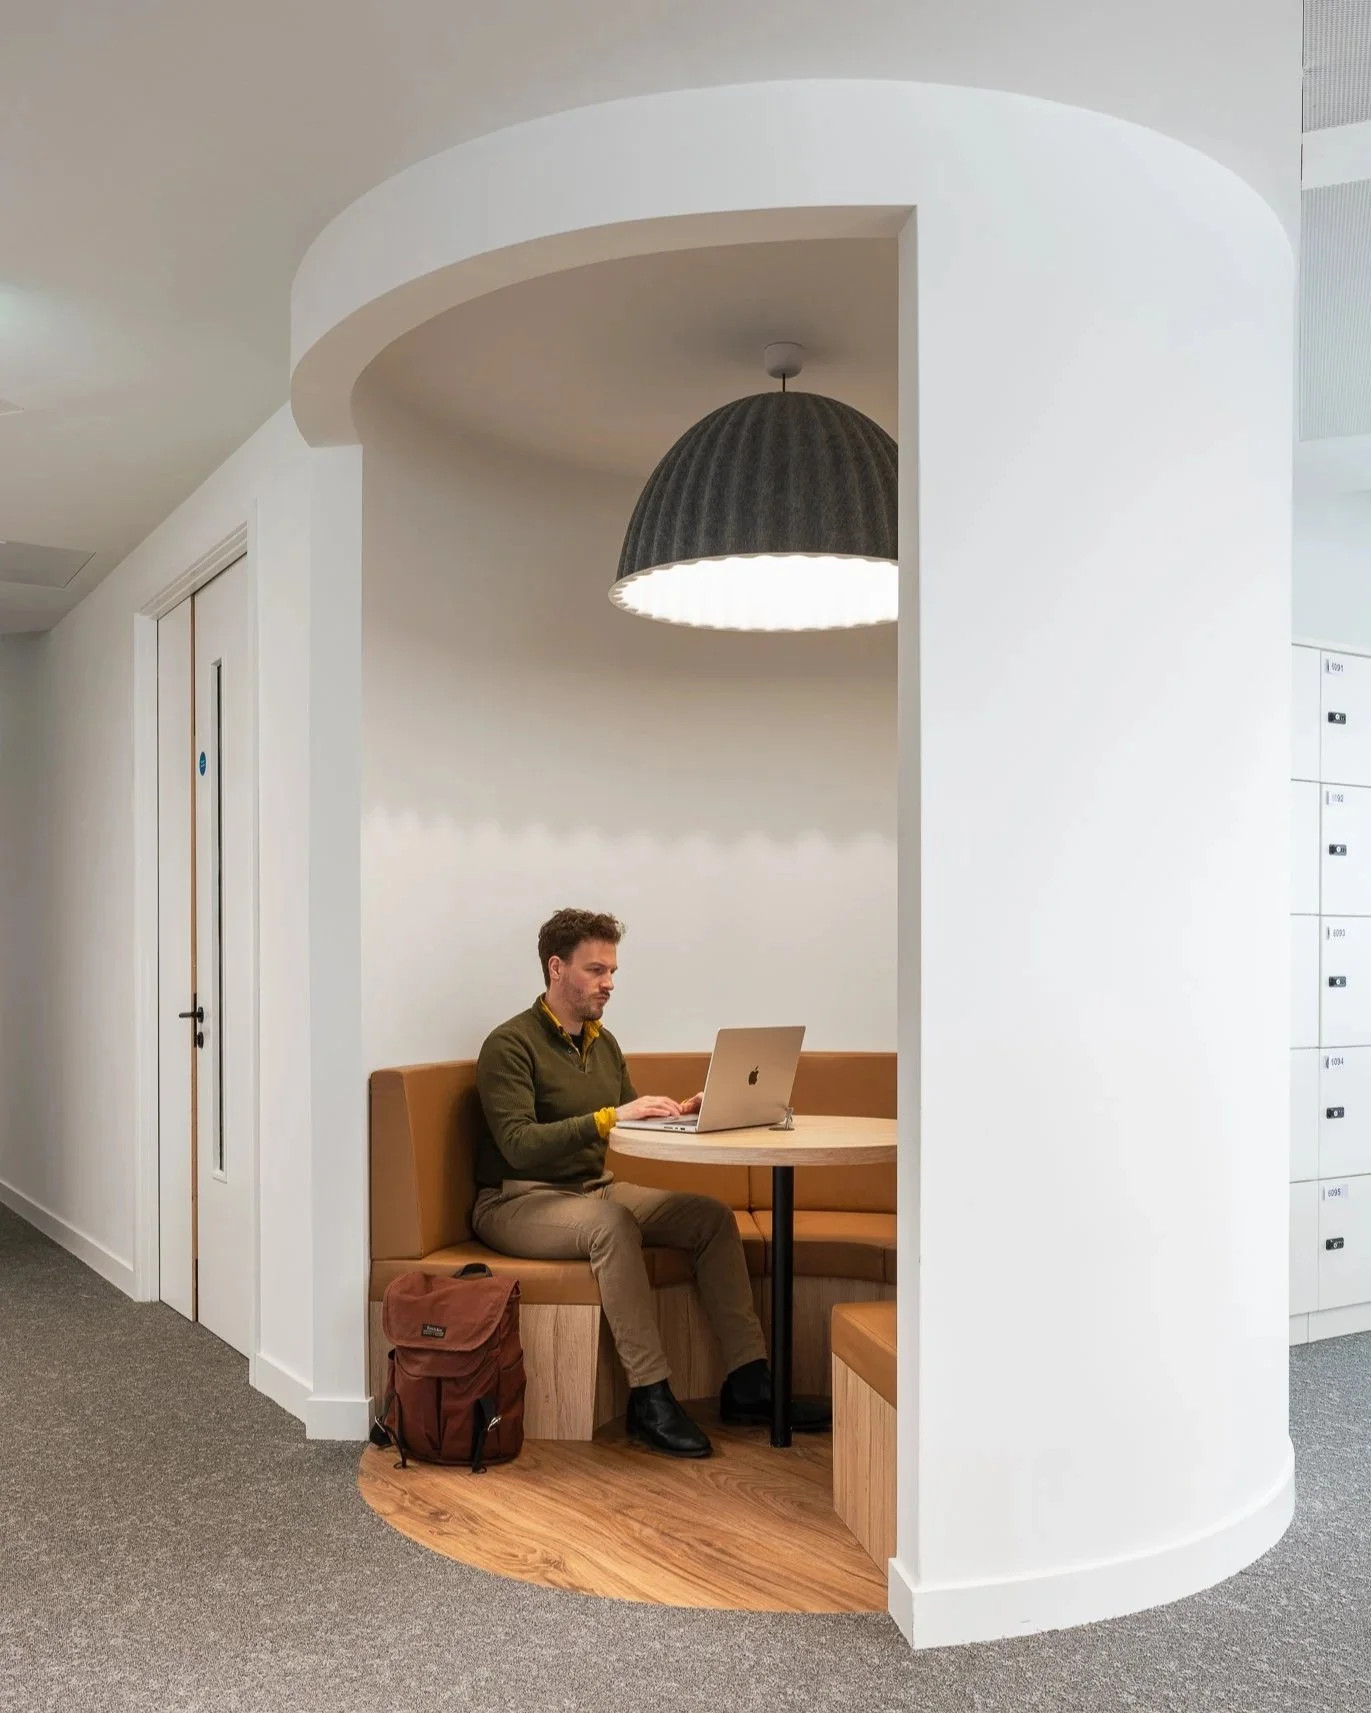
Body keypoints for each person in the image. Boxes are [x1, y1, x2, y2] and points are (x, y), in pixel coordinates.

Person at [472, 907, 829, 1457]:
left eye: (612, 970)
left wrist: (683, 1111)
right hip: (517, 1199)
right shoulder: (509, 1044)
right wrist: (612, 1117)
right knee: (612, 1226)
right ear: (555, 968)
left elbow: (623, 1118)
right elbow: (519, 1143)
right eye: (596, 970)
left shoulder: (603, 1043)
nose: (609, 983)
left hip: (591, 1188)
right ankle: (650, 1394)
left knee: (709, 1217)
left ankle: (750, 1382)